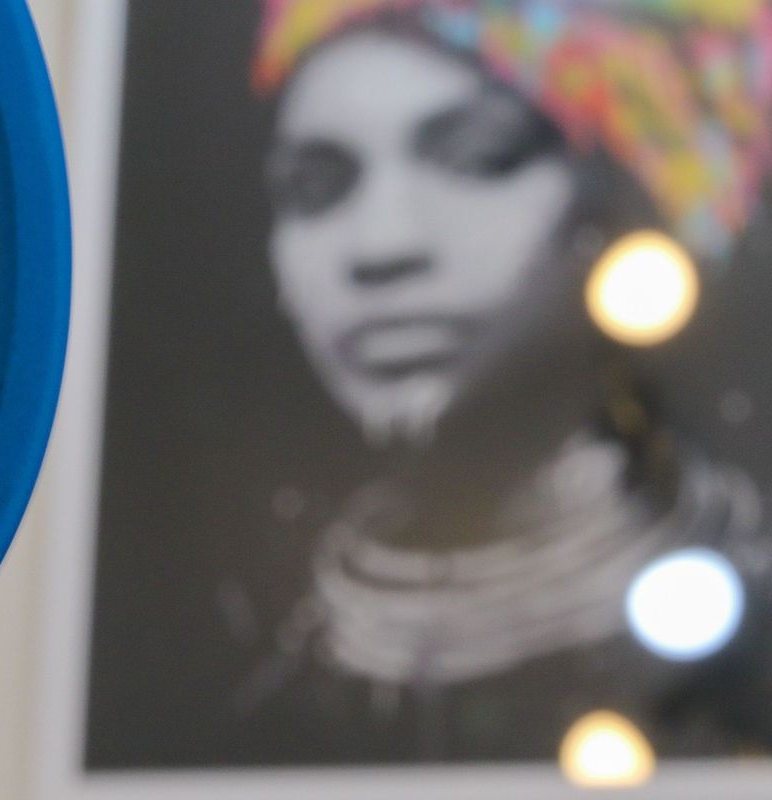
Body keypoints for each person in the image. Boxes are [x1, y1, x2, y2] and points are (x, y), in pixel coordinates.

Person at [242, 0, 772, 761]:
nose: (382, 246)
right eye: (314, 187)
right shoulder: (245, 645)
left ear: (618, 208)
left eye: (478, 158)